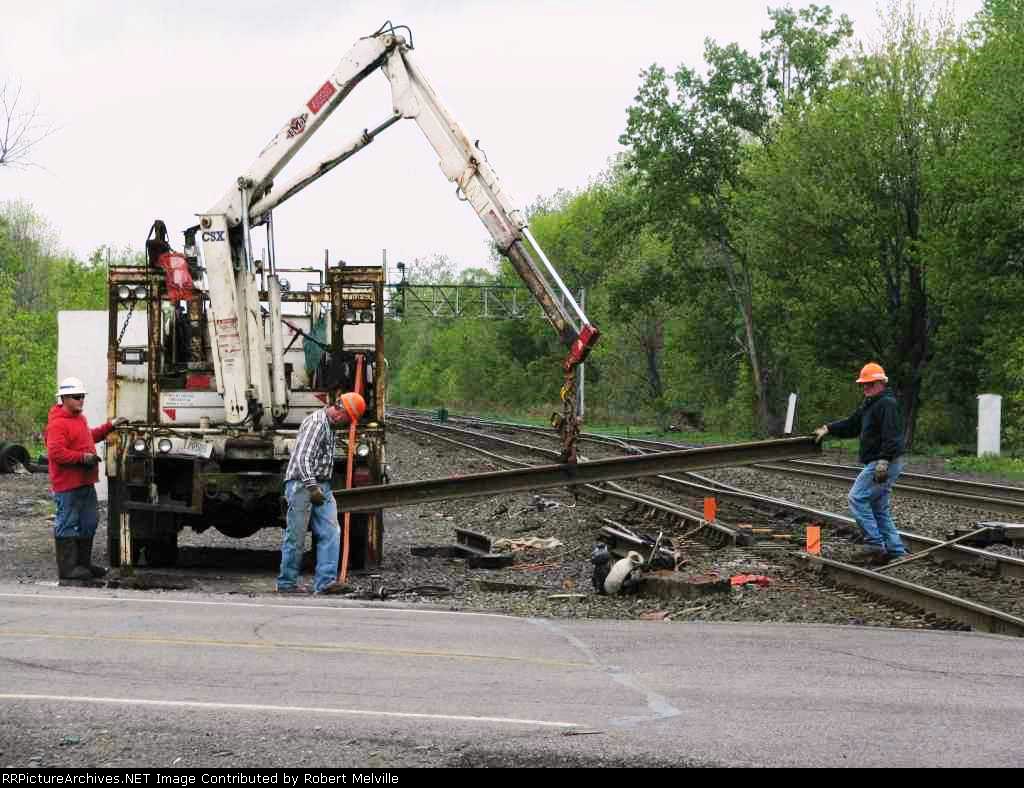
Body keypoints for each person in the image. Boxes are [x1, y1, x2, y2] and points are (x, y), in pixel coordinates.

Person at [814, 362, 908, 564]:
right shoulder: (870, 403)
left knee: (857, 497)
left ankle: (874, 544)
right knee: (878, 507)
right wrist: (828, 428)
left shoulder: (887, 404)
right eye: (863, 384)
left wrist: (884, 460)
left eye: (870, 384)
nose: (865, 387)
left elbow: (892, 435)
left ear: (881, 383)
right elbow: (852, 424)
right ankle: (895, 550)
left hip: (883, 462)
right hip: (881, 461)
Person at [278, 391, 366, 595]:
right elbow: (303, 459)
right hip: (302, 485)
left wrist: (319, 487)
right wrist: (312, 487)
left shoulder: (330, 425)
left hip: (321, 484)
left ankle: (325, 583)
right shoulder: (317, 424)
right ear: (341, 411)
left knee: (331, 532)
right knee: (296, 535)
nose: (346, 424)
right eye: (347, 420)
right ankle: (286, 583)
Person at [46, 377, 129, 583]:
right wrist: (83, 458)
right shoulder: (57, 424)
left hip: (85, 482)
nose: (81, 400)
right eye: (77, 397)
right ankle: (68, 568)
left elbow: (87, 437)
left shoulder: (79, 419)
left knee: (89, 522)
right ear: (64, 398)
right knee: (67, 523)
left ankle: (83, 564)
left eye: (82, 396)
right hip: (68, 485)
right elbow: (56, 453)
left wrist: (110, 426)